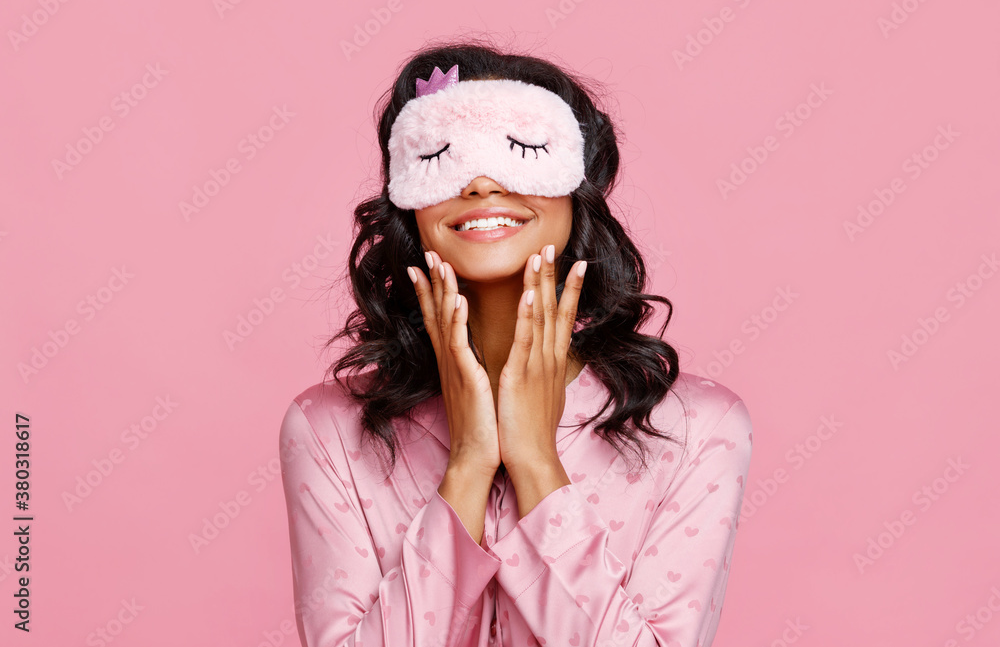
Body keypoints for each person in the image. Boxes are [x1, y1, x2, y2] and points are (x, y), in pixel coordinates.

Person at [278, 39, 753, 647]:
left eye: (523, 150)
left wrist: (535, 464)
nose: (480, 182)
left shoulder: (698, 429)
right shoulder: (327, 431)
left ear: (578, 188)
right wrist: (469, 464)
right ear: (406, 202)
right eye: (441, 155)